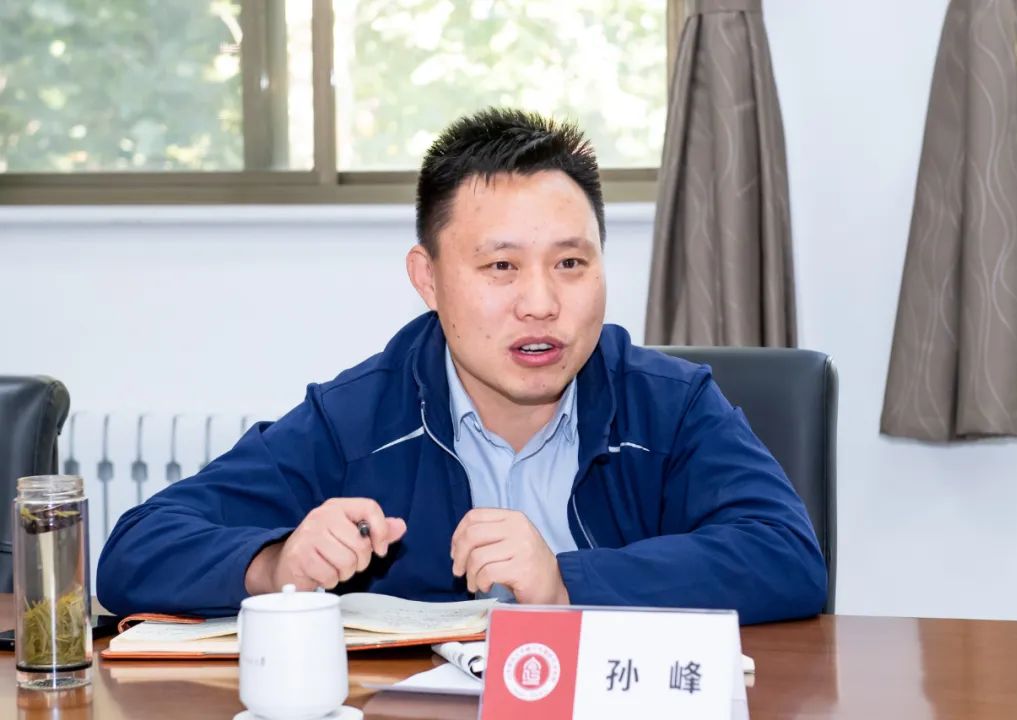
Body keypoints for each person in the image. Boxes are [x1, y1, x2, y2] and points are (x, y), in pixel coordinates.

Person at [97, 108, 826, 624]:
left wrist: (563, 581)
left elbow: (787, 558)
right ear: (429, 279)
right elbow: (136, 551)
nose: (541, 304)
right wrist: (274, 566)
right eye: (501, 266)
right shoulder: (357, 419)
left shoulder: (669, 404)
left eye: (571, 264)